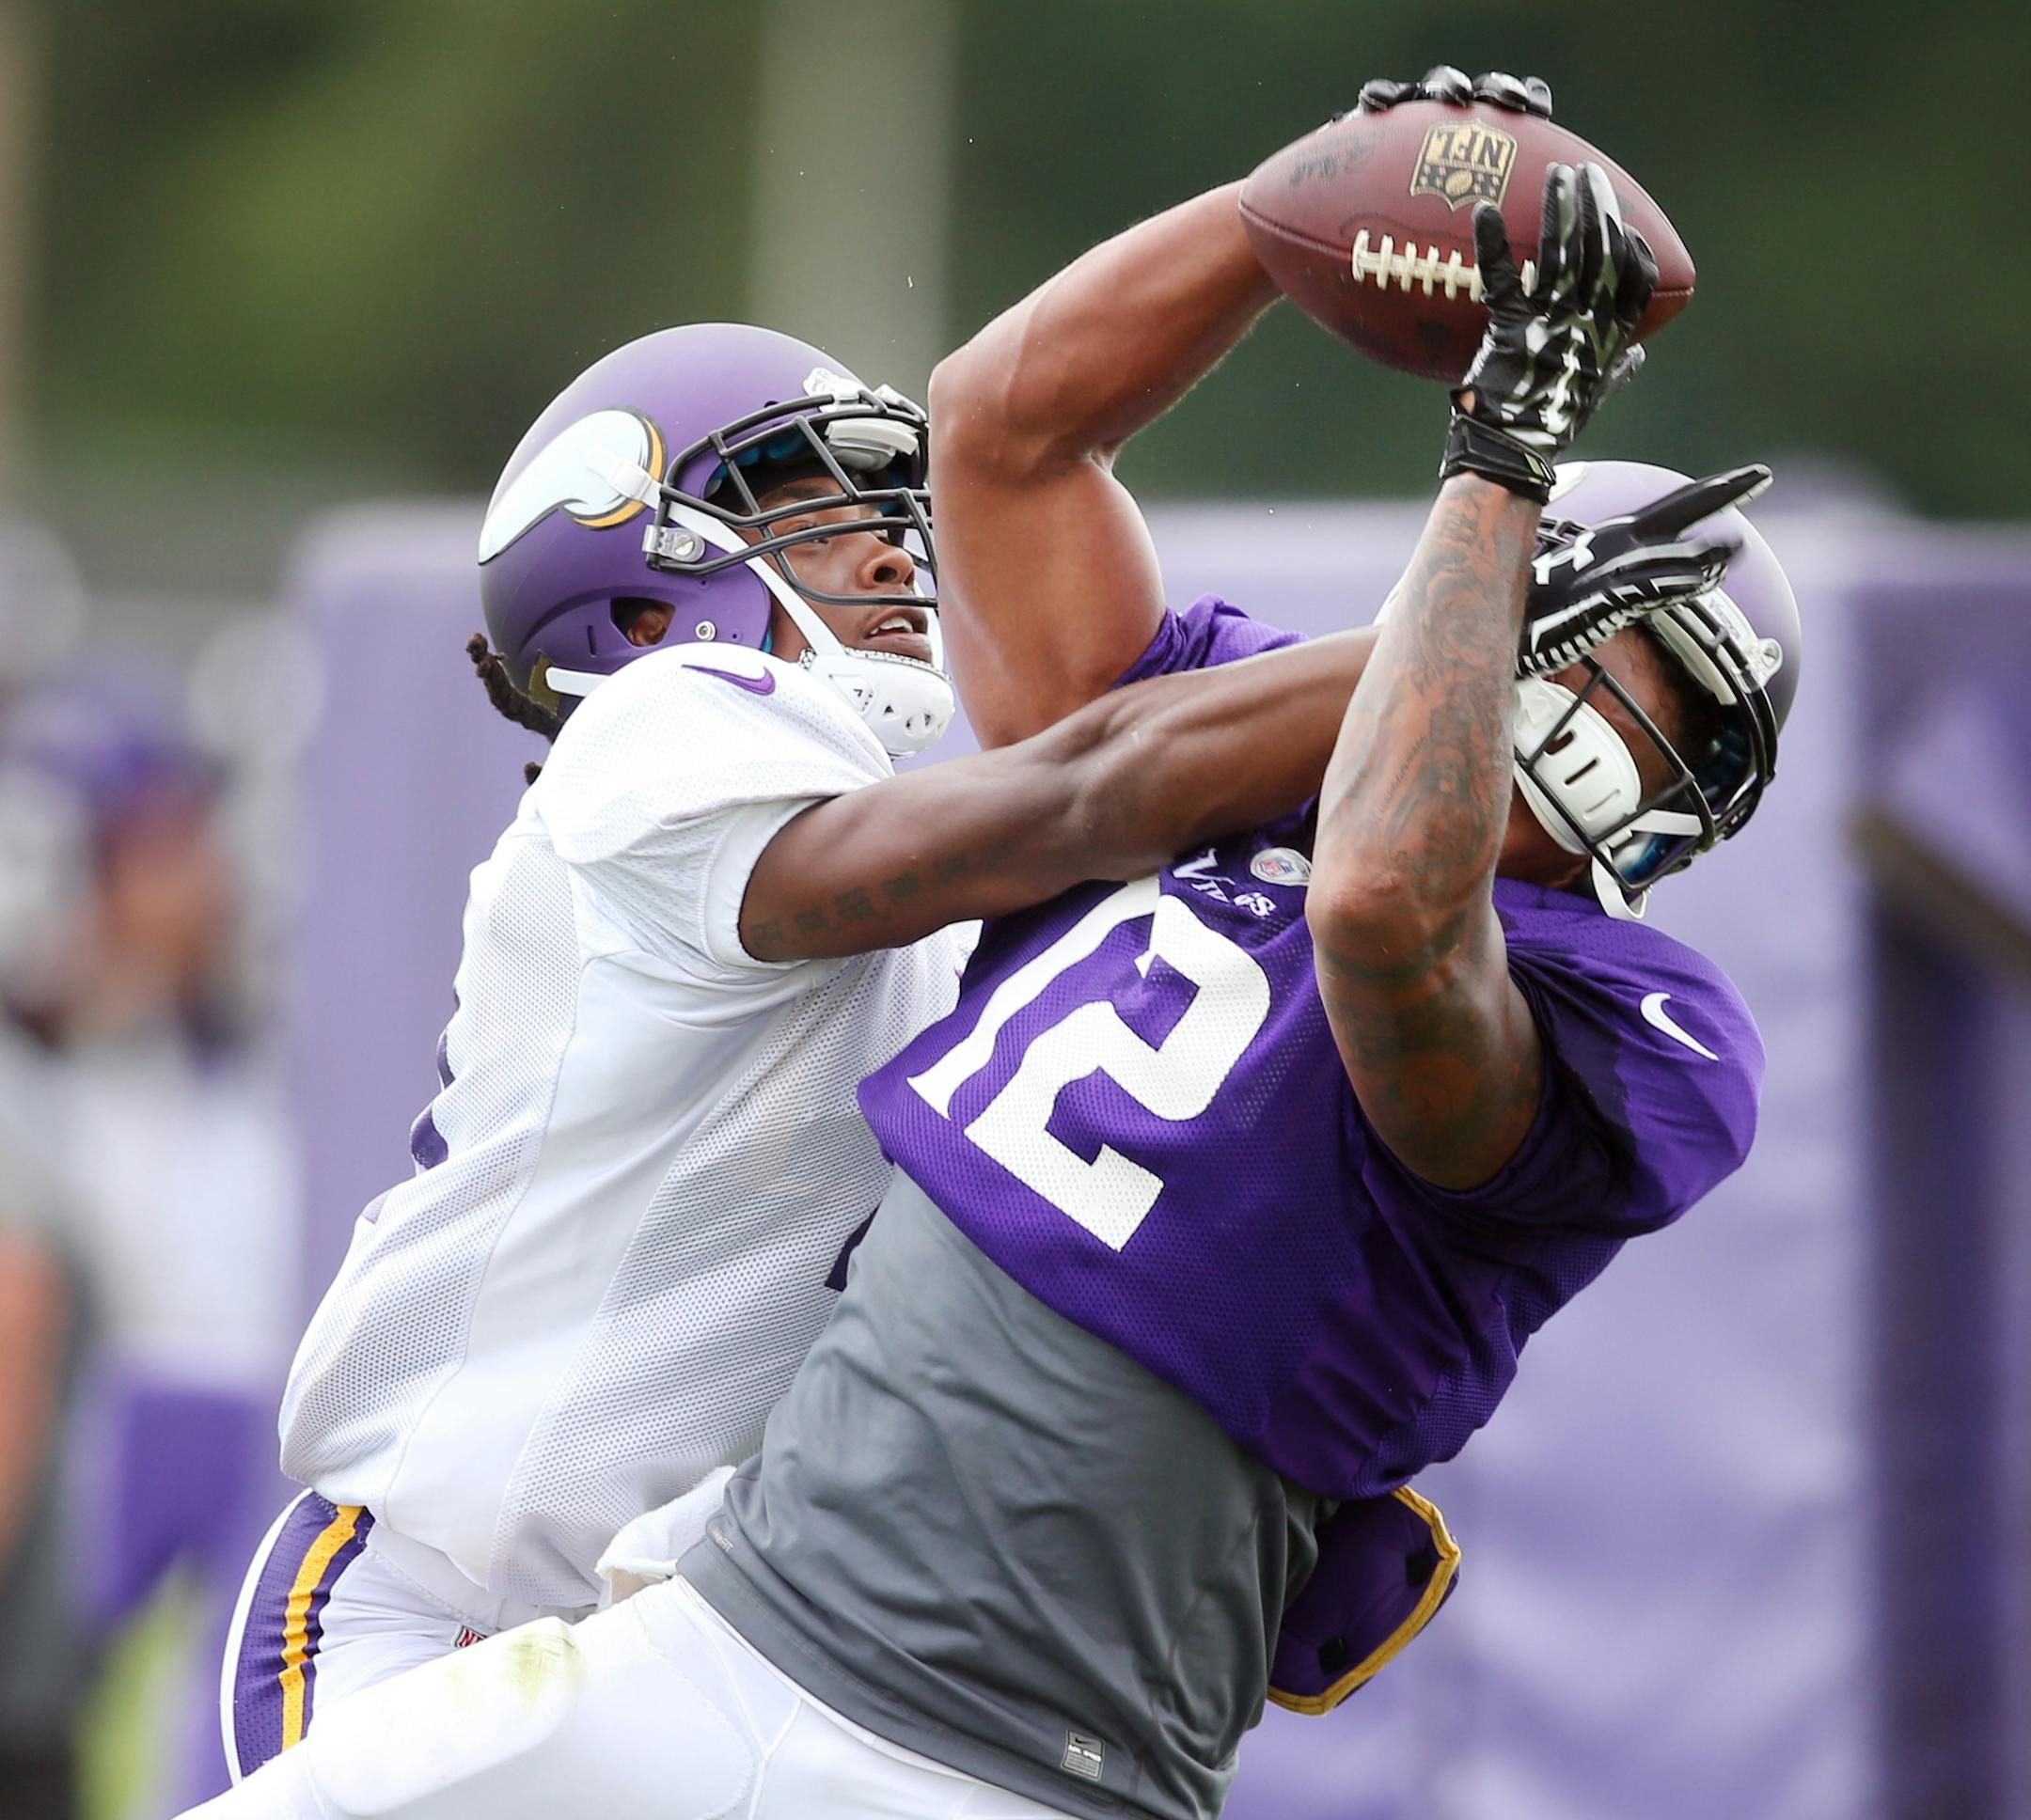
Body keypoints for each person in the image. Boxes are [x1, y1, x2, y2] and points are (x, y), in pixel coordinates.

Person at [183, 77, 1798, 1820]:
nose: (896, 545)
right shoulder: (687, 730)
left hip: (848, 1659)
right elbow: (1021, 477)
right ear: (637, 596)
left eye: (1673, 695)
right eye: (818, 504)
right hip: (510, 1591)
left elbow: (1374, 905)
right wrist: (1296, 209)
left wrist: (1491, 555)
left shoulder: (1640, 1018)